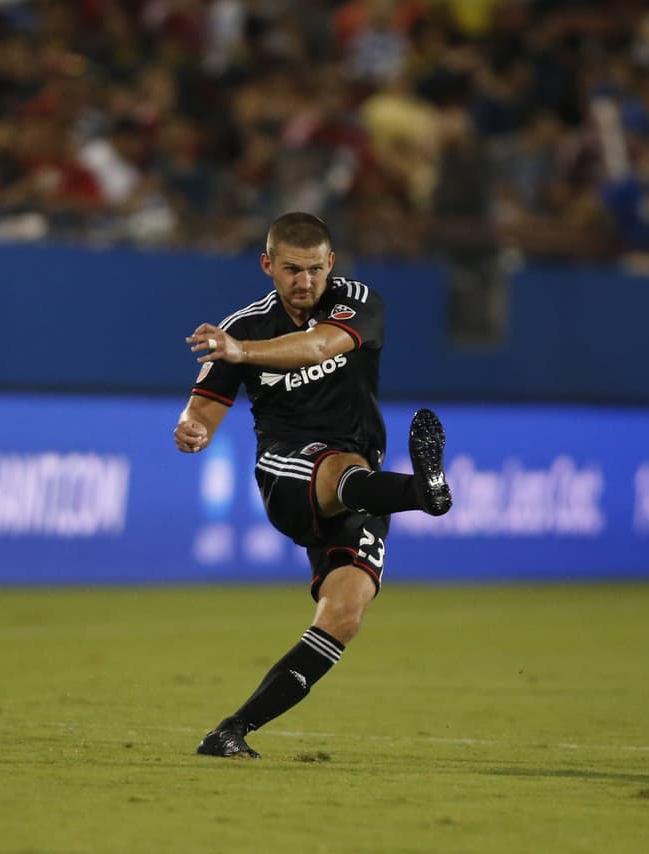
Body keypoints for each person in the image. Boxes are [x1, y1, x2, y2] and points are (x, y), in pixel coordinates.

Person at [174, 211, 453, 758]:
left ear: (332, 264)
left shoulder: (356, 302)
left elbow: (320, 346)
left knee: (344, 615)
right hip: (287, 472)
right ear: (268, 266)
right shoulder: (246, 326)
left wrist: (239, 351)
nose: (306, 282)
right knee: (336, 464)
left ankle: (230, 732)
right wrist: (193, 429)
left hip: (362, 484)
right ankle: (423, 493)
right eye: (292, 270)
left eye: (315, 270)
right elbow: (203, 409)